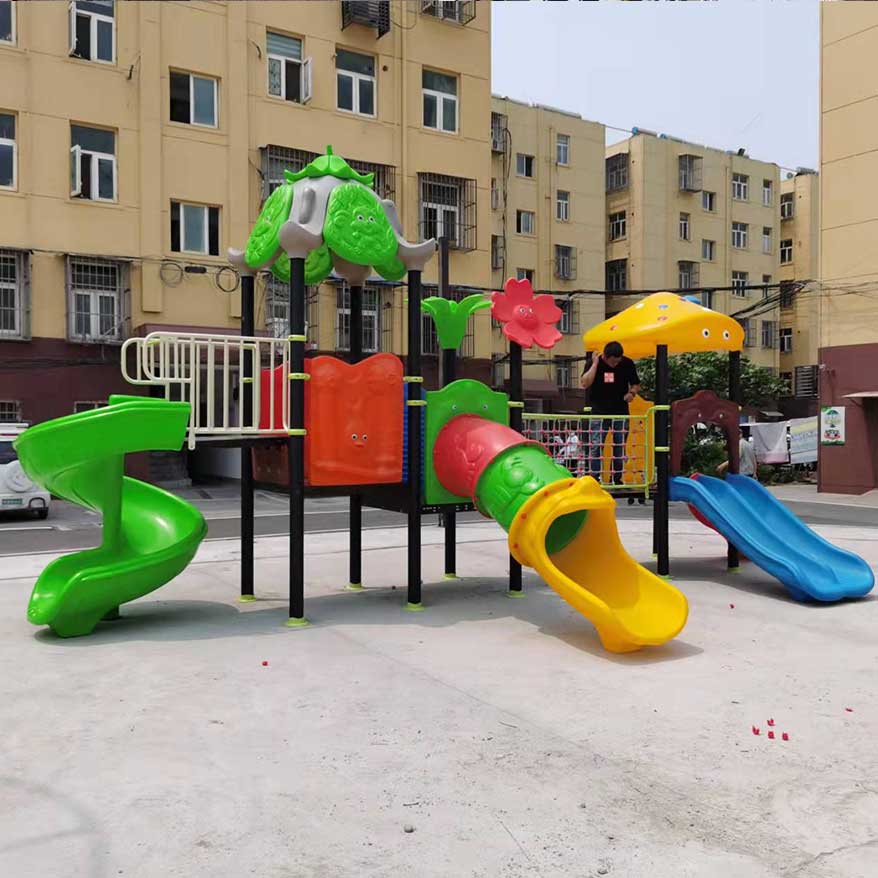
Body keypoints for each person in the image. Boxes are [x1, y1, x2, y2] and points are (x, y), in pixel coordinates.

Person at [580, 341, 641, 486]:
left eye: (617, 361)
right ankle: (594, 478)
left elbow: (636, 383)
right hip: (599, 412)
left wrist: (632, 393)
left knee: (619, 446)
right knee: (596, 446)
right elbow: (585, 383)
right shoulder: (594, 363)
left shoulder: (627, 363)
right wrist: (595, 364)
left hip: (620, 411)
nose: (615, 365)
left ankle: (617, 478)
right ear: (605, 357)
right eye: (612, 362)